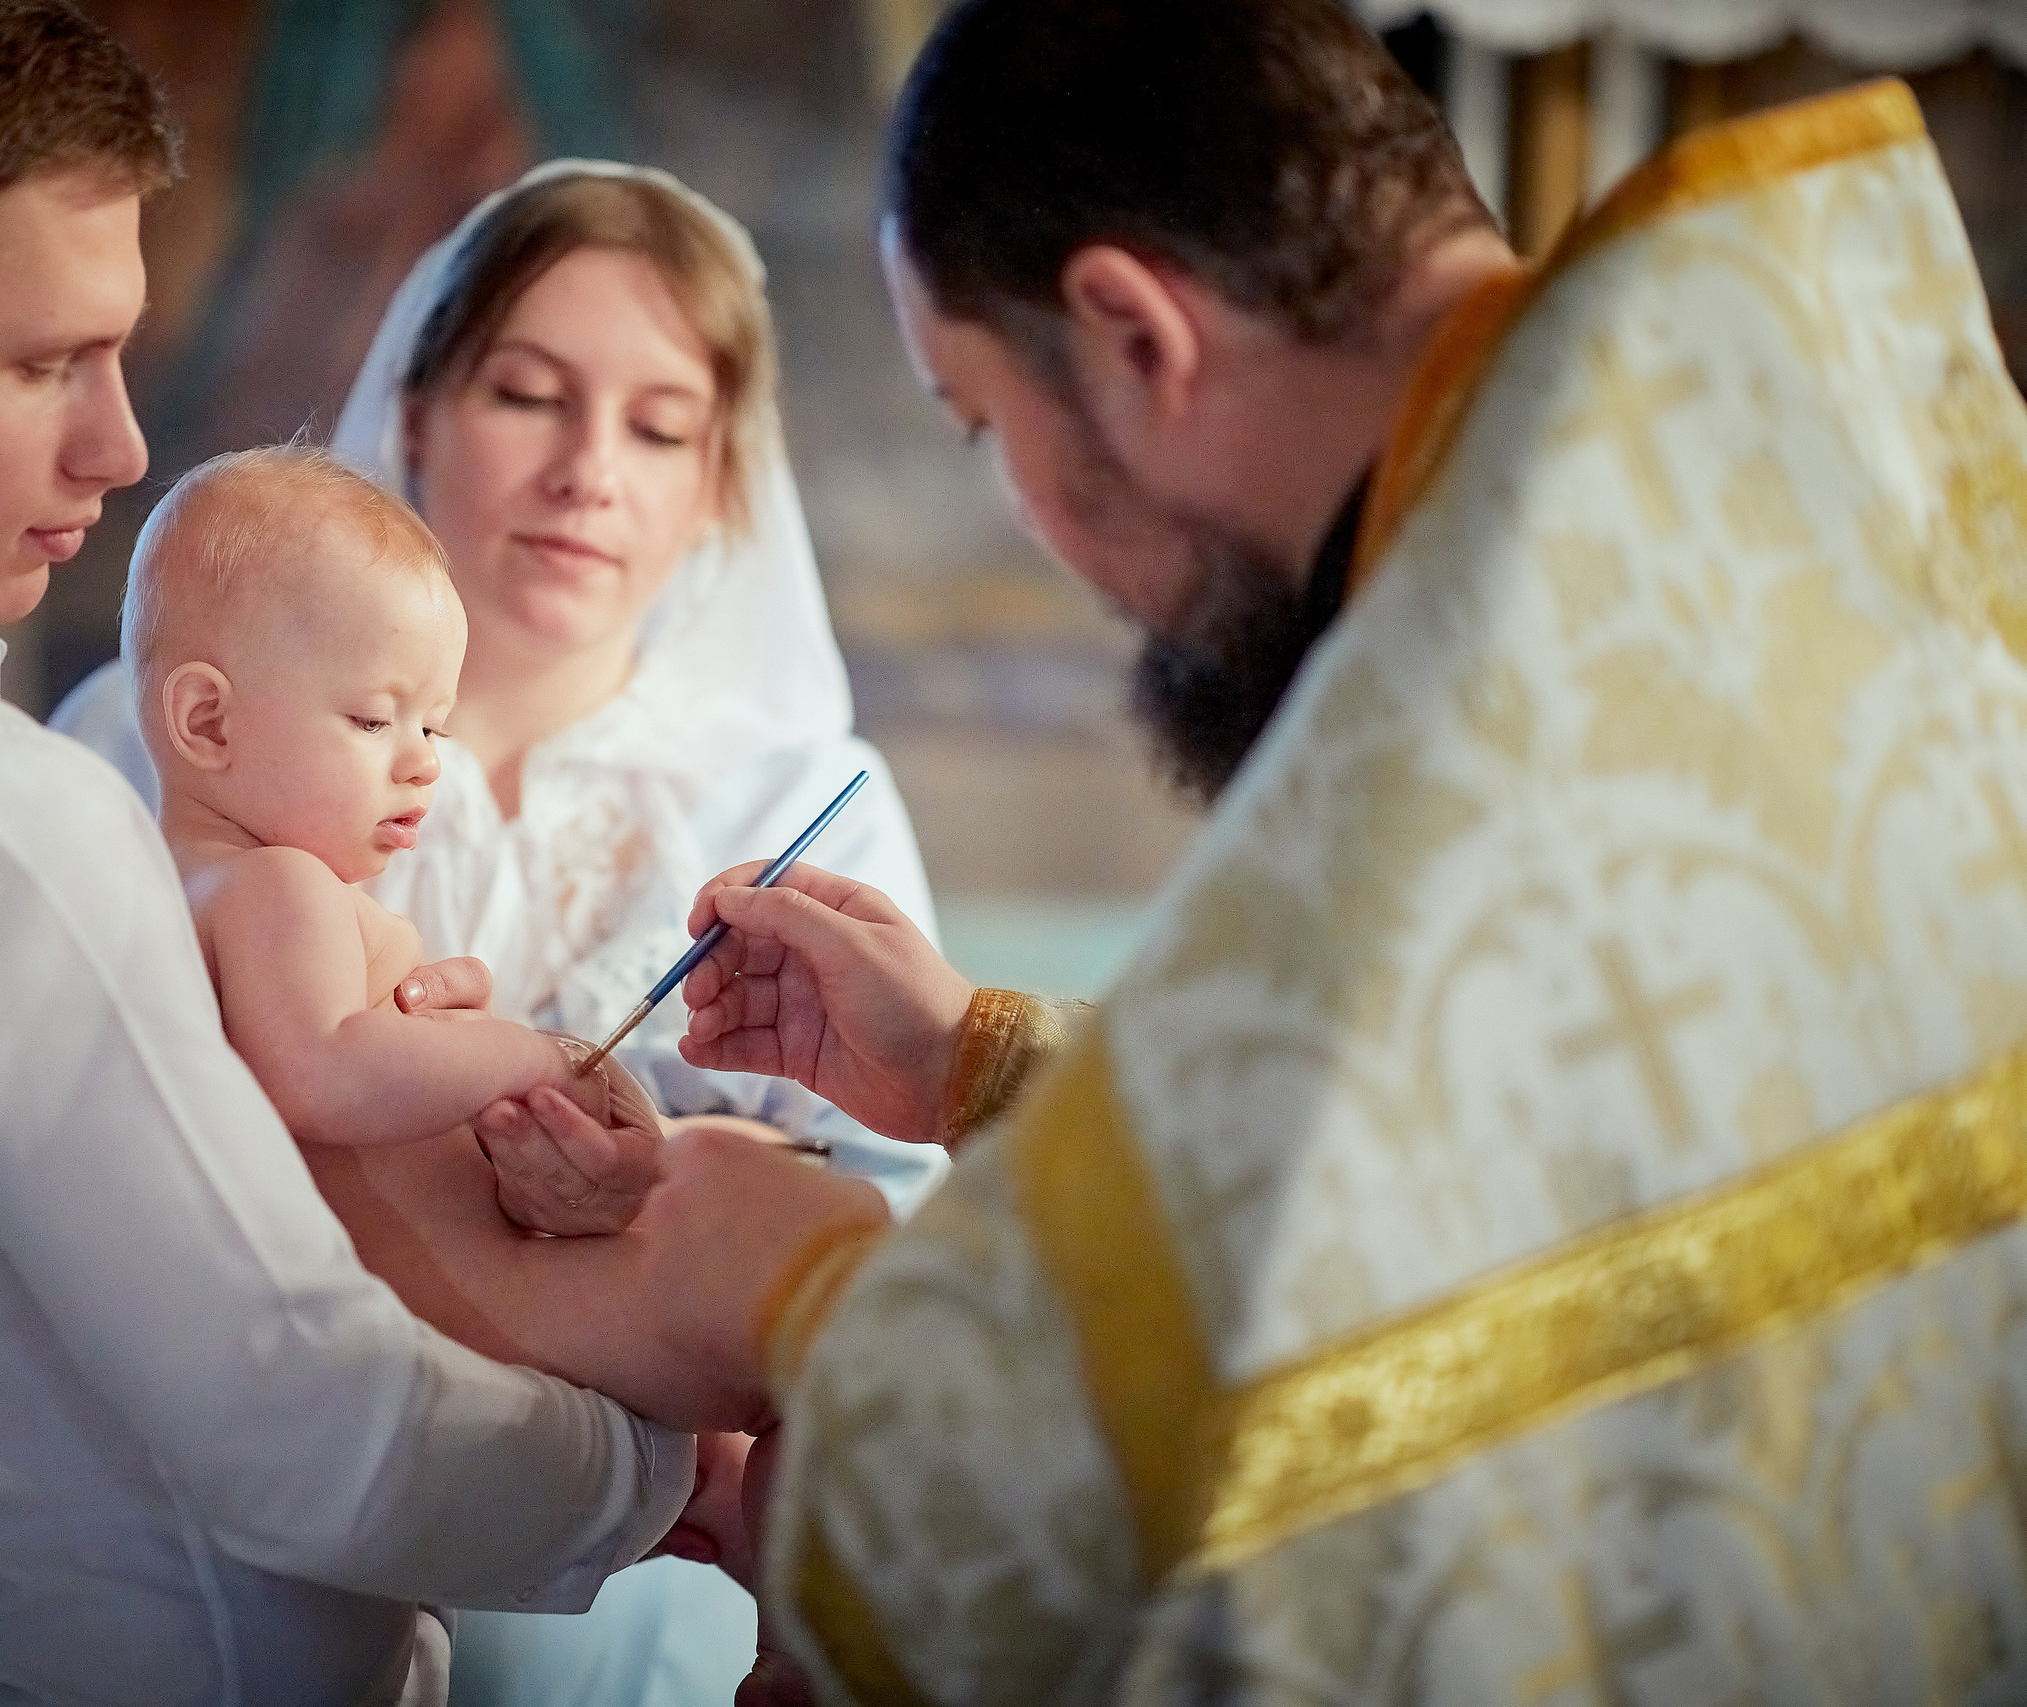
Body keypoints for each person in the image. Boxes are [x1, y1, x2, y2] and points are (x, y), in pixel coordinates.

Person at [637, 2, 2027, 1701]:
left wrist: (792, 1290)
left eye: (983, 424)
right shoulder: (1811, 486)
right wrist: (977, 1064)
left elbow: (1036, 1543)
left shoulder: (1472, 698)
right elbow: (1513, 1159)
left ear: (1133, 336)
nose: (1022, 511)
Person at [0, 6, 791, 1701]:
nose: (117, 444)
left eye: (120, 356)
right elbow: (309, 1431)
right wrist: (668, 1470)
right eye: (46, 363)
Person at [54, 161, 947, 1705]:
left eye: (662, 426)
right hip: (255, 1498)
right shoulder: (153, 747)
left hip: (661, 1565)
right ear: (417, 406)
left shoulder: (803, 792)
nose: (590, 469)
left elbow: (881, 1222)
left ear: (722, 480)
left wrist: (647, 1174)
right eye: (531, 396)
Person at [128, 440, 752, 1428]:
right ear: (207, 722)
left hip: (443, 1294)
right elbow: (323, 1072)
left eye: (437, 727)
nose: (425, 764)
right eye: (376, 721)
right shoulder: (276, 883)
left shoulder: (169, 880)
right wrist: (527, 1055)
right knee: (762, 1268)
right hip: (458, 1299)